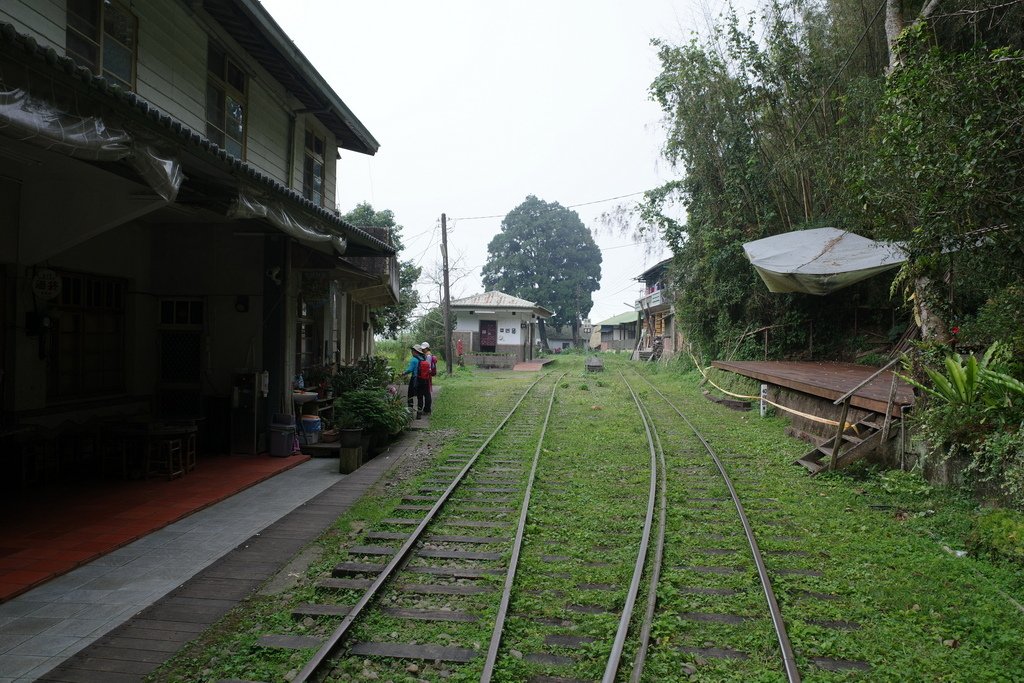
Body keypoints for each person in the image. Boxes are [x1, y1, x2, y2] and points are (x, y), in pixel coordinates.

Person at [402, 344, 425, 419]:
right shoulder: (423, 359)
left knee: (410, 396)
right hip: (422, 380)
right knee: (420, 397)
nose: (412, 352)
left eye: (412, 350)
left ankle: (410, 413)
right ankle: (419, 414)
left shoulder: (414, 360)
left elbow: (410, 370)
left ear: (415, 351)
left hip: (415, 379)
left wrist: (403, 373)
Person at [420, 342, 437, 415]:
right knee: (426, 393)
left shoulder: (428, 356)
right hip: (427, 375)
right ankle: (427, 409)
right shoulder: (428, 355)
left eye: (424, 348)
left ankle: (427, 410)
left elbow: (428, 367)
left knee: (426, 393)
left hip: (426, 376)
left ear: (427, 348)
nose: (422, 349)